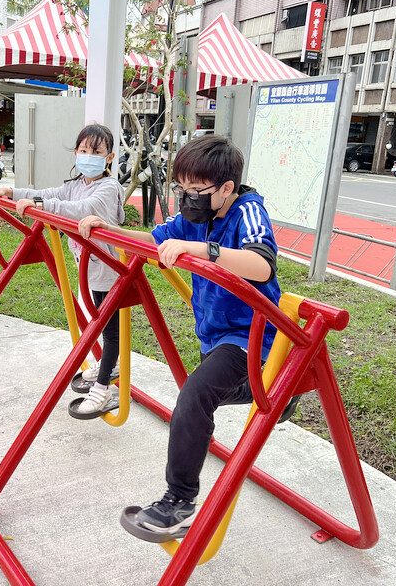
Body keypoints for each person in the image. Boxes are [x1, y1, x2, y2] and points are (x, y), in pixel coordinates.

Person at [79, 135, 295, 538]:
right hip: (216, 336)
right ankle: (282, 392)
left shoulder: (248, 210)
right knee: (202, 397)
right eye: (181, 189)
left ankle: (179, 501)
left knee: (194, 395)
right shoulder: (198, 215)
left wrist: (203, 250)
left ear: (226, 188)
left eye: (197, 191)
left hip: (252, 336)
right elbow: (159, 239)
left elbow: (262, 265)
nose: (187, 198)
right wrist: (108, 229)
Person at [0, 123, 124, 416]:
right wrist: (10, 190)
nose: (89, 156)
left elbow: (83, 209)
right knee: (101, 324)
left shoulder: (109, 187)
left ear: (109, 157)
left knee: (110, 332)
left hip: (112, 272)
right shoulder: (75, 184)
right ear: (76, 152)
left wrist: (41, 204)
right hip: (89, 270)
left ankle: (104, 390)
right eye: (84, 150)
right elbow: (48, 191)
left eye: (96, 152)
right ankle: (109, 365)